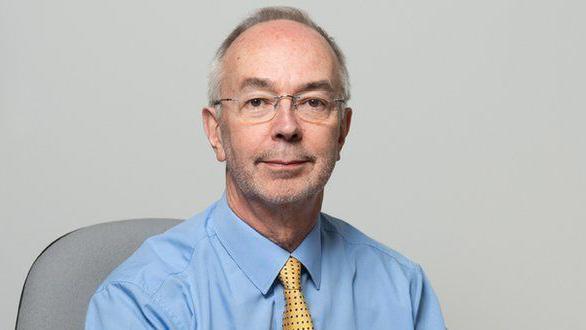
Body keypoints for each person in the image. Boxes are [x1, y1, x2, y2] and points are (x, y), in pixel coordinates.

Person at [85, 6, 446, 330]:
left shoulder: (403, 291)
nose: (287, 127)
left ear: (342, 131)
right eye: (257, 101)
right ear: (216, 132)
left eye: (313, 102)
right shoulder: (142, 302)